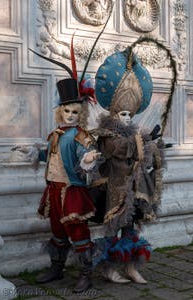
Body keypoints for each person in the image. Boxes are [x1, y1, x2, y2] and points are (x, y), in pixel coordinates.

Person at [91, 47, 164, 284]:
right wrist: (145, 140)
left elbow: (142, 154)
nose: (127, 118)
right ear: (113, 113)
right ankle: (108, 269)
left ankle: (131, 267)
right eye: (123, 113)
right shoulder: (105, 134)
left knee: (132, 229)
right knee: (113, 229)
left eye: (130, 114)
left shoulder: (135, 135)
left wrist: (154, 145)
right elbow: (119, 150)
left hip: (134, 189)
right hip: (115, 190)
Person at [34, 77, 100, 293]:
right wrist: (34, 153)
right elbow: (51, 156)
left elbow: (84, 155)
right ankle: (57, 267)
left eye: (75, 112)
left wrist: (89, 158)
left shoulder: (80, 135)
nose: (70, 115)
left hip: (71, 191)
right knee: (57, 230)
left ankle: (85, 274)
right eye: (67, 111)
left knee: (78, 231)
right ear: (60, 111)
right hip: (53, 189)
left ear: (81, 113)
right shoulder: (54, 135)